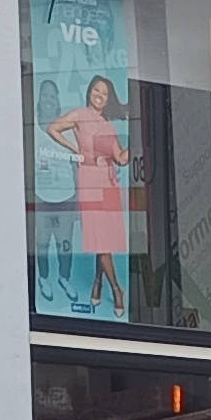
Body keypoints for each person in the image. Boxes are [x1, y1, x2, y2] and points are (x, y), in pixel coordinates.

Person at [50, 77, 132, 320]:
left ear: (108, 100)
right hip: (89, 181)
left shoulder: (108, 125)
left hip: (108, 184)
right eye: (97, 90)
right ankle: (118, 290)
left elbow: (121, 158)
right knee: (100, 240)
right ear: (89, 92)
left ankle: (97, 281)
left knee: (103, 239)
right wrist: (74, 150)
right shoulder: (79, 114)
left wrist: (135, 143)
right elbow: (53, 128)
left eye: (105, 93)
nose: (99, 95)